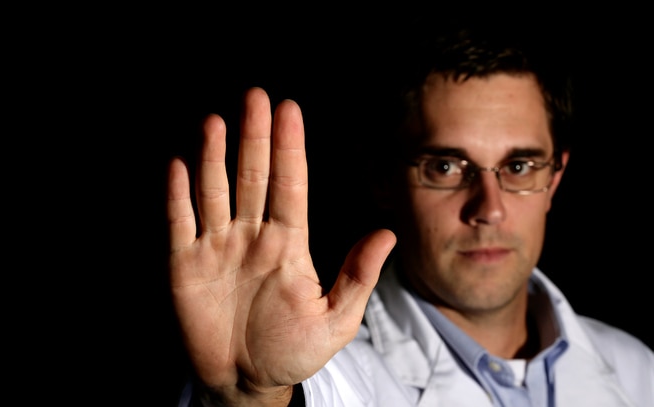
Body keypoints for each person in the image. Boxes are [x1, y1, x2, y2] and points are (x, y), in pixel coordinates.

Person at [167, 19, 654, 406]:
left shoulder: (639, 370)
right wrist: (249, 398)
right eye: (445, 166)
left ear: (555, 178)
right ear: (383, 179)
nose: (489, 209)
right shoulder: (319, 380)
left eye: (520, 165)